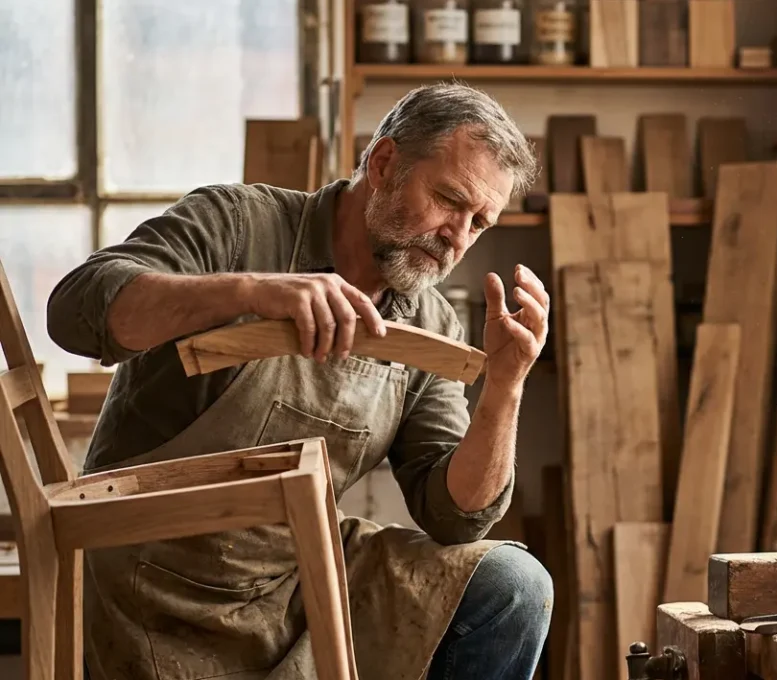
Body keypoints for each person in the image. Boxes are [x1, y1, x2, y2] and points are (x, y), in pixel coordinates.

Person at [46, 83, 550, 680]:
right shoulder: (237, 224)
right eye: (447, 200)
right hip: (154, 577)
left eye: (479, 224)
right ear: (384, 164)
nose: (456, 237)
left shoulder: (431, 320)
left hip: (296, 577)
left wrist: (506, 385)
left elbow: (455, 517)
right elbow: (75, 310)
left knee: (510, 587)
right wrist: (250, 290)